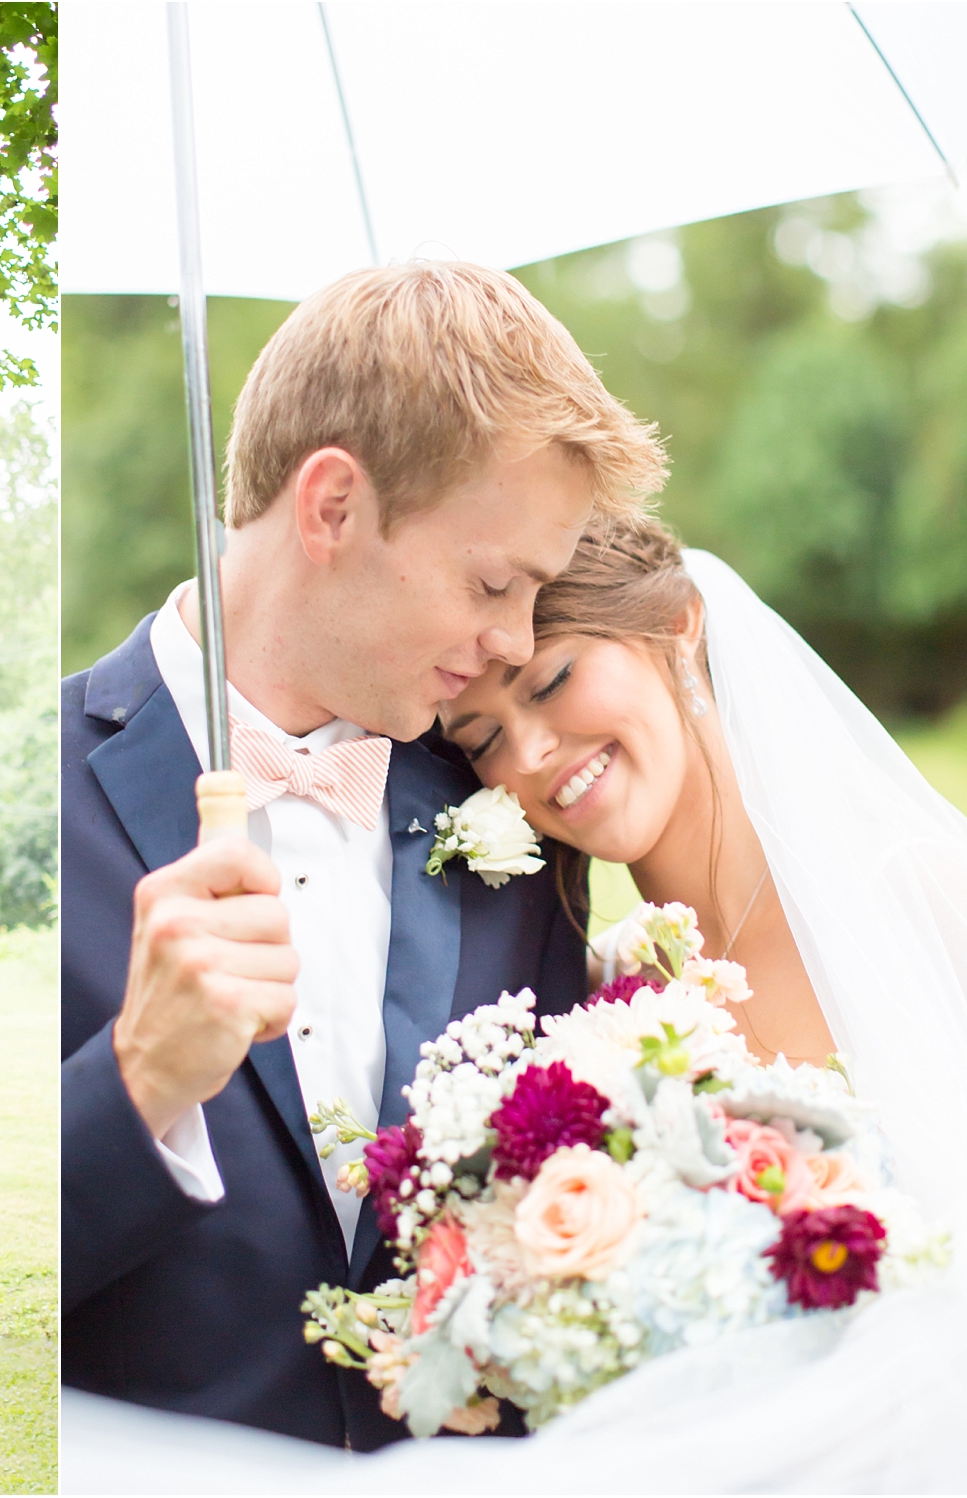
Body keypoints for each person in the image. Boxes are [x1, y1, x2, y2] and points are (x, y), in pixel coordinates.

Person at [62, 515, 967, 1491]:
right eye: (482, 734)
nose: (530, 753)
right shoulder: (608, 1001)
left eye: (551, 681)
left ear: (679, 626)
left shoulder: (917, 902)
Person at [61, 261, 669, 1448]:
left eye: (534, 597)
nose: (510, 638)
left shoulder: (508, 817)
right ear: (331, 506)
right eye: (494, 581)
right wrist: (135, 1082)